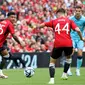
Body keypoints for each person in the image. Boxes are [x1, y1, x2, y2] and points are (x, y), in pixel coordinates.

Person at [36, 8, 85, 84]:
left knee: (52, 62)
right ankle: (65, 74)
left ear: (58, 14)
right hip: (68, 44)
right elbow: (78, 30)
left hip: (58, 44)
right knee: (68, 58)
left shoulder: (54, 21)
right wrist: (82, 38)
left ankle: (52, 80)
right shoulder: (69, 21)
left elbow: (42, 25)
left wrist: (37, 26)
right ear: (64, 14)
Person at [0, 12, 25, 79]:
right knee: (6, 56)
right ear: (7, 17)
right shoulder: (9, 24)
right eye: (12, 17)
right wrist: (20, 42)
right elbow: (14, 35)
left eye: (14, 17)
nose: (13, 19)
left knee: (5, 55)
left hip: (1, 44)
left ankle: (0, 72)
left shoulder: (2, 22)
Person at [67, 6, 85, 76]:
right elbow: (67, 29)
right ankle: (68, 69)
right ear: (75, 11)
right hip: (72, 38)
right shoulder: (71, 19)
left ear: (81, 12)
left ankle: (77, 70)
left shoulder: (84, 19)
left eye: (79, 11)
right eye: (76, 11)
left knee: (80, 54)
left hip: (80, 38)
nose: (77, 12)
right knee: (71, 53)